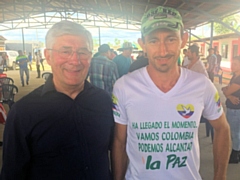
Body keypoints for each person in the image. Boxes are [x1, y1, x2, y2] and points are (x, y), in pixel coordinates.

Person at [112, 6, 231, 180]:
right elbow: (119, 141)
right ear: (142, 44)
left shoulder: (201, 85)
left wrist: (220, 177)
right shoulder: (124, 87)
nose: (163, 50)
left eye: (170, 39)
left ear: (183, 40)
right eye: (153, 41)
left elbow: (222, 128)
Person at [0, 20, 114, 179]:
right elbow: (12, 173)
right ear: (48, 56)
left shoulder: (104, 101)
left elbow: (117, 149)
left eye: (82, 52)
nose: (75, 60)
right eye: (65, 51)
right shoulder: (23, 112)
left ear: (90, 56)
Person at [222, 56, 240, 164]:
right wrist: (229, 96)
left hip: (235, 110)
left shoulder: (238, 79)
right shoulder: (234, 76)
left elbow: (227, 91)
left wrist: (227, 93)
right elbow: (225, 89)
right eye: (232, 63)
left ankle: (235, 153)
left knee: (234, 132)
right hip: (233, 108)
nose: (232, 66)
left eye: (235, 64)